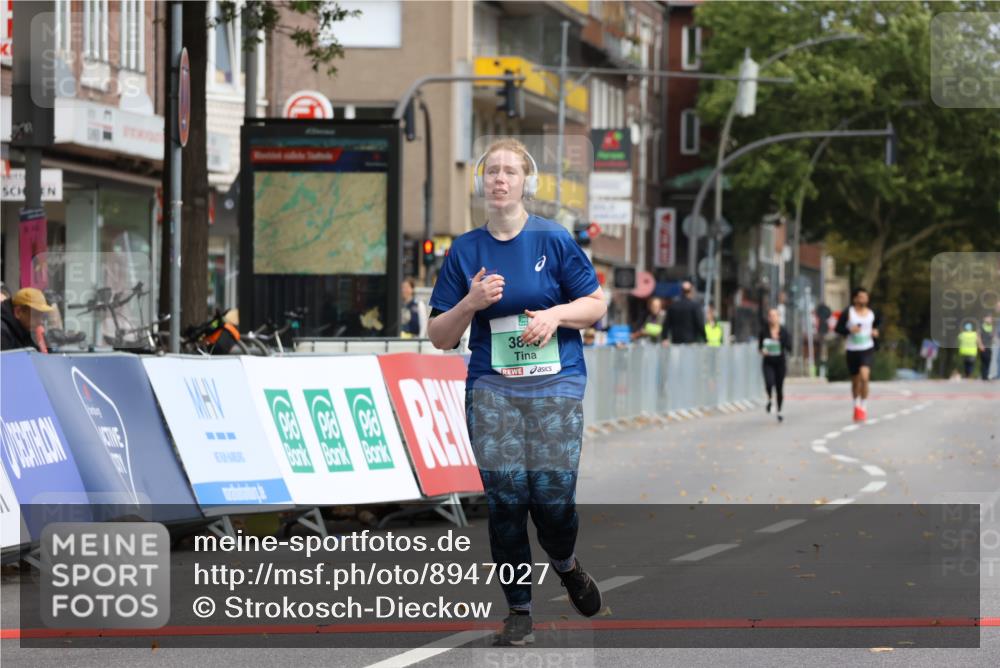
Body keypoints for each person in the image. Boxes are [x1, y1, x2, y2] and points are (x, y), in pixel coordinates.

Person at [428, 137, 607, 646]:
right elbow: (440, 336)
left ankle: (566, 564)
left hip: (557, 383)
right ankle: (519, 611)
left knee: (550, 499)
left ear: (527, 182)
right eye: (492, 172)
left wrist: (554, 315)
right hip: (493, 388)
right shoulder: (465, 250)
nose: (500, 179)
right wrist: (469, 302)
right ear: (483, 181)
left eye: (510, 171)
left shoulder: (553, 239)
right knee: (506, 500)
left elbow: (595, 305)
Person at [834, 287, 881, 422]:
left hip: (867, 348)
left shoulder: (872, 313)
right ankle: (856, 405)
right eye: (860, 297)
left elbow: (878, 324)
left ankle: (864, 407)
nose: (863, 299)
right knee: (855, 381)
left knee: (864, 377)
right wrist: (850, 330)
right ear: (855, 299)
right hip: (852, 349)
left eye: (865, 297)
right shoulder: (848, 313)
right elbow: (838, 328)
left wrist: (876, 331)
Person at [759, 308, 791, 422]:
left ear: (778, 317)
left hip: (780, 363)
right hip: (768, 362)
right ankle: (769, 399)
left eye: (774, 316)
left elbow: (789, 346)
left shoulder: (783, 331)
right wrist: (762, 351)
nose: (772, 318)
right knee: (769, 383)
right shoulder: (764, 331)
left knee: (779, 387)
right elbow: (760, 347)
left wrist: (780, 340)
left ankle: (779, 410)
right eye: (770, 316)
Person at [1, 287, 54, 351]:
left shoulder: (34, 331)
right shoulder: (3, 332)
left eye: (42, 316)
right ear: (18, 312)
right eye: (35, 316)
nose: (40, 321)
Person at [979, 316, 994, 381]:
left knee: (988, 361)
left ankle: (987, 375)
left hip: (989, 347)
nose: (990, 320)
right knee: (984, 361)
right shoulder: (981, 327)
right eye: (989, 318)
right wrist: (980, 345)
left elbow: (993, 336)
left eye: (991, 319)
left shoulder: (992, 327)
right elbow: (978, 336)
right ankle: (984, 376)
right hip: (983, 346)